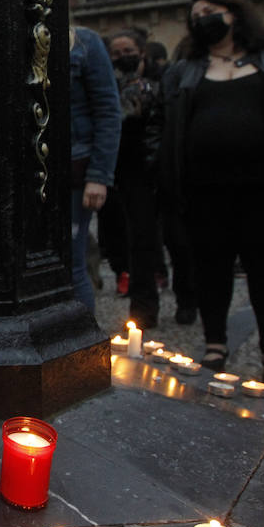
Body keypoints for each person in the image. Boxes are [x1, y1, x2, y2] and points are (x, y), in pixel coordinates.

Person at [158, 0, 264, 388]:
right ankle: (214, 343)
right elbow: (164, 130)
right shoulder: (184, 70)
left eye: (210, 10)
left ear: (234, 15)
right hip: (203, 192)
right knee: (210, 269)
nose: (201, 18)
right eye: (195, 13)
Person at [99, 32, 163, 327]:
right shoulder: (105, 87)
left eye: (128, 50)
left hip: (140, 170)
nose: (123, 55)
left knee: (142, 238)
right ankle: (124, 277)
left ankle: (144, 306)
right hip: (111, 169)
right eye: (117, 51)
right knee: (114, 233)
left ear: (141, 53)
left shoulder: (152, 88)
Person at [68, 25, 122, 316]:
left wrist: (99, 176)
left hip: (74, 170)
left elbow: (107, 111)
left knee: (73, 262)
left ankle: (79, 350)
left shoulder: (84, 43)